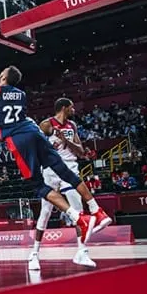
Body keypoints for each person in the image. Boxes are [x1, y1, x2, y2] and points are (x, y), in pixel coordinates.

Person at [0, 33, 111, 246]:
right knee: (64, 171)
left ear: (5, 78)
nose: (0, 73)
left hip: (20, 139)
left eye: (2, 72)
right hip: (32, 130)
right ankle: (96, 210)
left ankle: (77, 217)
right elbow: (14, 115)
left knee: (39, 186)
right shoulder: (21, 95)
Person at [30, 98, 96, 271]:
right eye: (71, 106)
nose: (74, 109)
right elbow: (34, 147)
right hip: (51, 170)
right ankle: (34, 253)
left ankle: (82, 251)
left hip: (70, 168)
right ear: (63, 108)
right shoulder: (46, 125)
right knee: (45, 213)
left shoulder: (71, 126)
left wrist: (66, 141)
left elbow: (81, 152)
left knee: (78, 211)